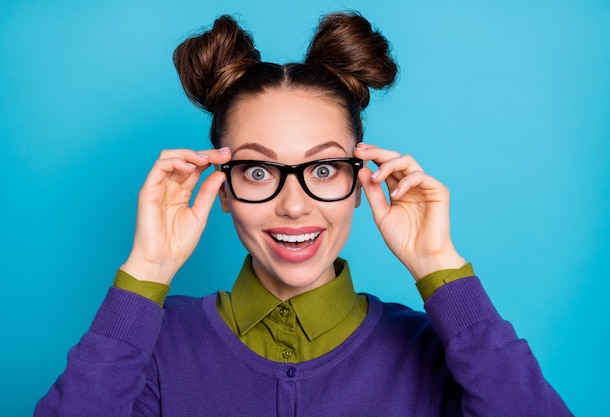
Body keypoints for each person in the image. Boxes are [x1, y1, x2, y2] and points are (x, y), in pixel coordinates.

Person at [35, 12, 573, 416]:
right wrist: (147, 269)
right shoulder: (152, 346)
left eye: (322, 170)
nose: (294, 206)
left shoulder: (439, 354)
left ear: (362, 183)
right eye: (258, 172)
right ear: (220, 189)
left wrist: (439, 266)